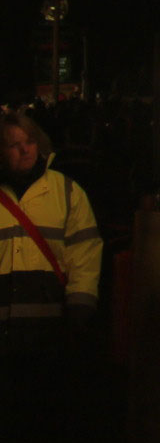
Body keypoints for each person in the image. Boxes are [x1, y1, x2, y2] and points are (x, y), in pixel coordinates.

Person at [1, 108, 101, 361]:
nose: (25, 150)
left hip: (50, 328)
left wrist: (80, 306)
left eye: (30, 141)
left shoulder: (67, 191)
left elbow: (84, 253)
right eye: (14, 145)